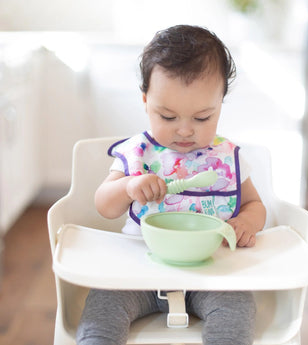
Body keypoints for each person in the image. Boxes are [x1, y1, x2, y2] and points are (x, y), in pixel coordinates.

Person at [77, 25, 266, 345]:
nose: (184, 131)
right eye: (167, 116)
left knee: (237, 308)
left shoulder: (225, 159)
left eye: (202, 117)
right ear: (145, 101)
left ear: (220, 103)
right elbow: (104, 206)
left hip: (210, 272)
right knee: (103, 307)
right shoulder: (137, 154)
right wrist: (128, 187)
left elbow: (254, 204)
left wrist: (247, 222)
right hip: (137, 269)